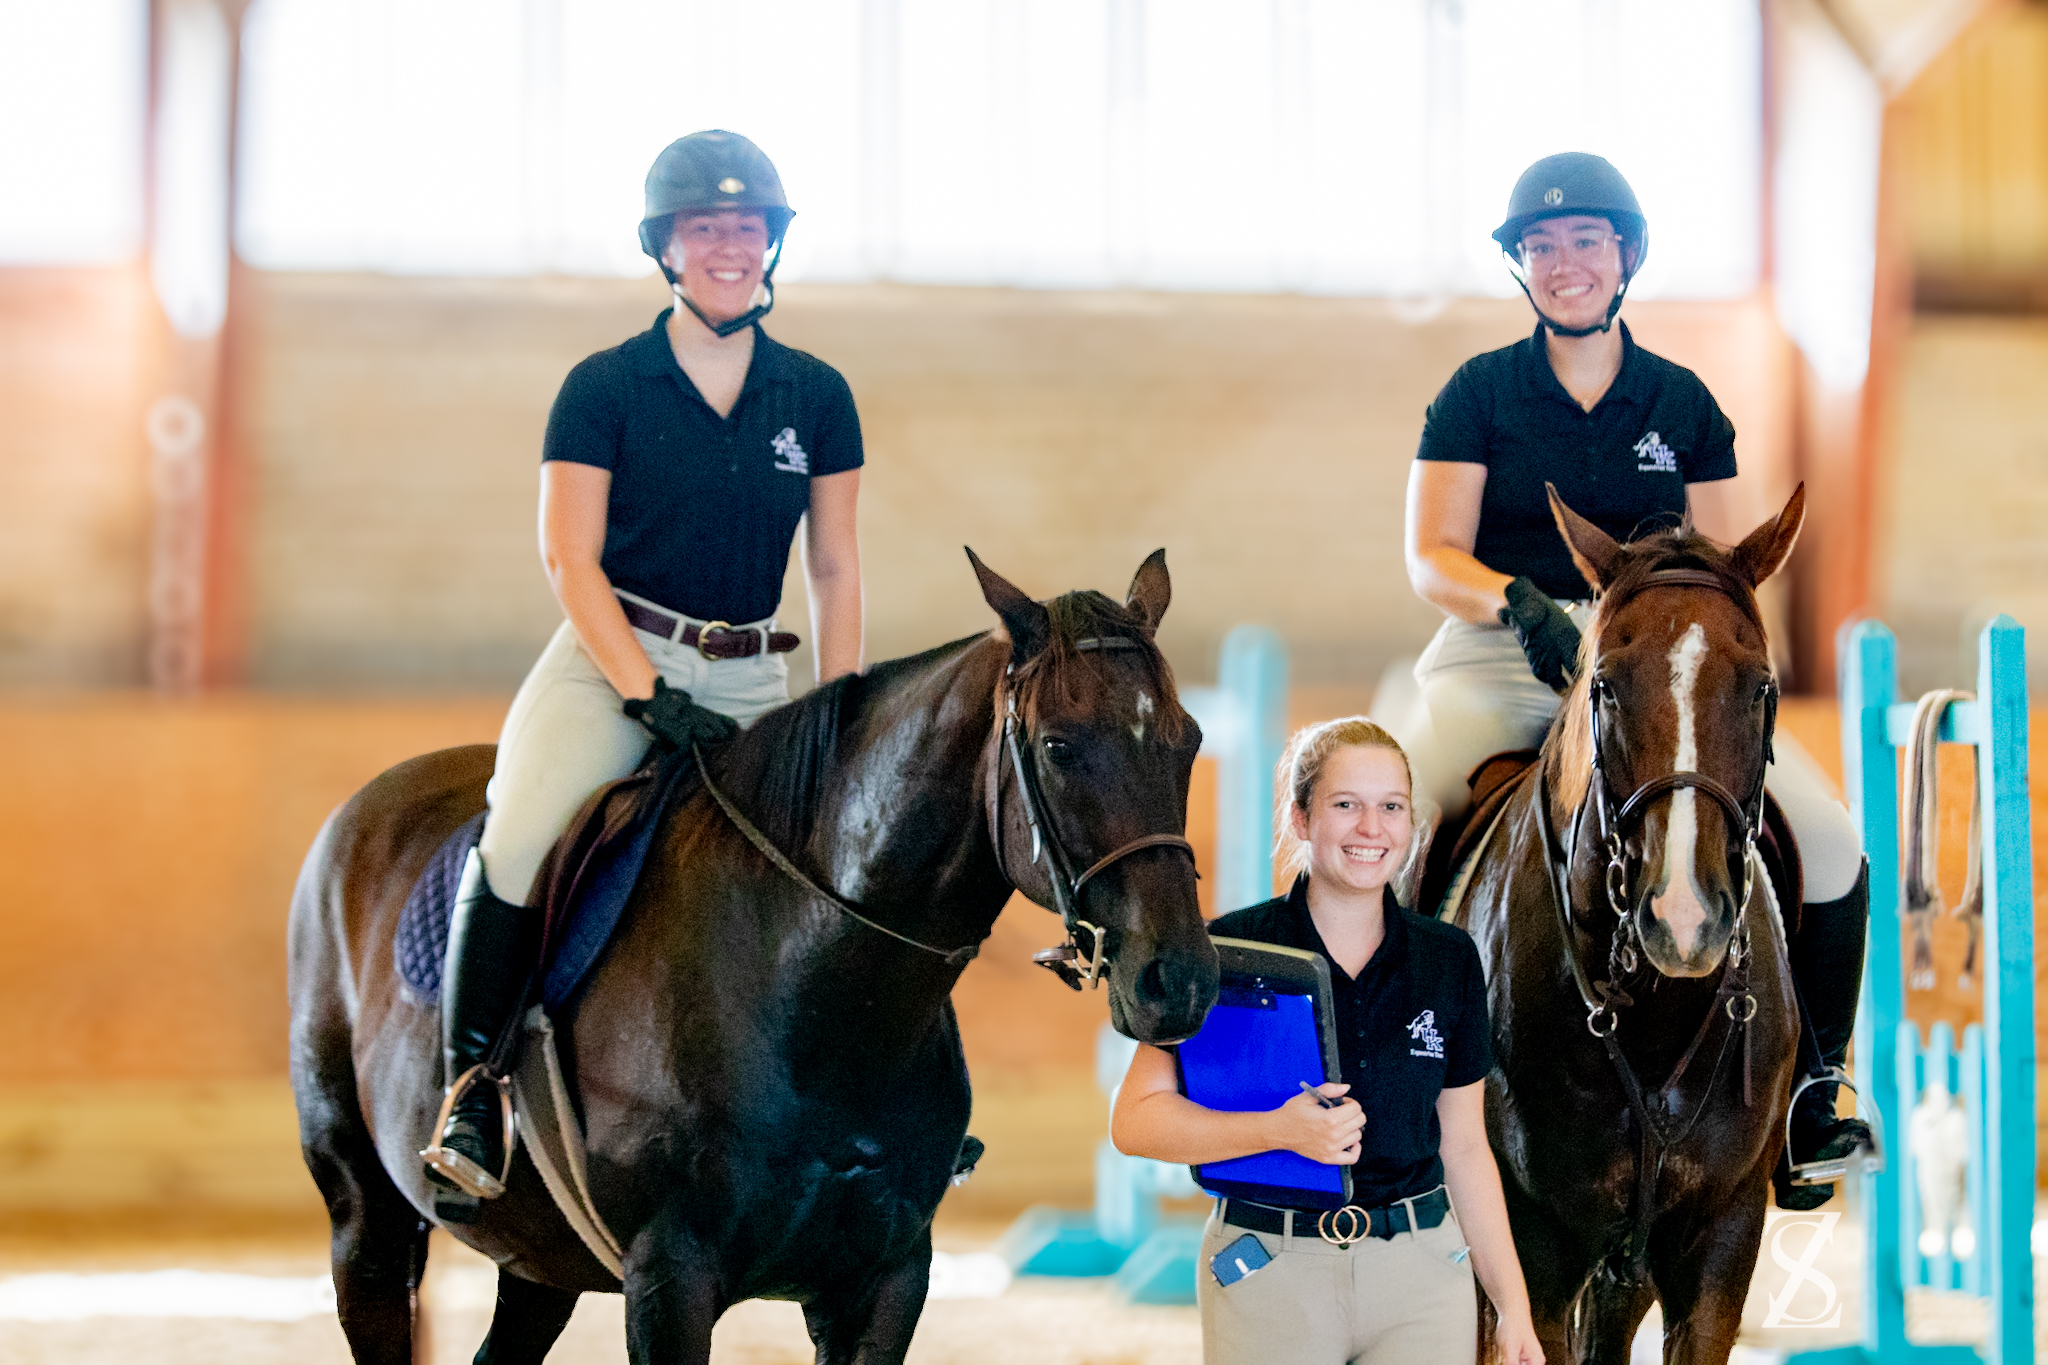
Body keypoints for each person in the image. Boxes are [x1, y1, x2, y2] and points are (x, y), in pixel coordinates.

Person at [1397, 150, 1871, 1204]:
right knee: (1380, 818)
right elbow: (1430, 554)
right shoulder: (1477, 394)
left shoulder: (1681, 403)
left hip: (1660, 670)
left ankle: (1811, 1096)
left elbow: (1725, 567)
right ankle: (1364, 1086)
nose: (1561, 262)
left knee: (1828, 836)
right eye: (1539, 246)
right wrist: (1517, 603)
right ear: (1520, 267)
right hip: (1500, 656)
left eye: (1583, 242)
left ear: (1624, 256)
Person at [421, 129, 866, 1209]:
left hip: (755, 670)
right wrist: (641, 693)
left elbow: (835, 564)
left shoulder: (816, 395)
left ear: (770, 246)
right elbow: (567, 556)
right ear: (666, 249)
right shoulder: (604, 386)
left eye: (746, 228)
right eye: (704, 229)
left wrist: (837, 709)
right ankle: (474, 1085)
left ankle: (876, 1103)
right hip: (614, 654)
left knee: (853, 866)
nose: (727, 245)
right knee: (523, 828)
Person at [1112, 719, 1543, 1365]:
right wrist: (1277, 1131)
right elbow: (1135, 1121)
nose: (1372, 828)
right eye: (1347, 804)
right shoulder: (1226, 953)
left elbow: (1464, 1144)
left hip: (1422, 1275)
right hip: (1267, 1271)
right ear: (1302, 817)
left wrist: (1511, 1304)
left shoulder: (1448, 958)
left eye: (1391, 806)